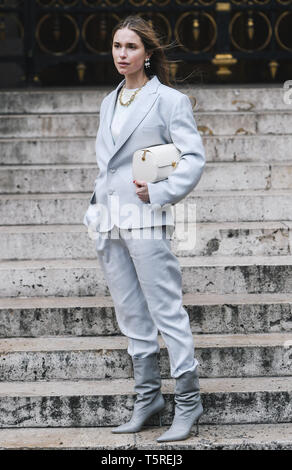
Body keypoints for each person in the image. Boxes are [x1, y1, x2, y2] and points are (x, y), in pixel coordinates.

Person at [83, 15, 206, 442]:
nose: (122, 55)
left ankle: (189, 403)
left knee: (166, 311)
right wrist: (94, 208)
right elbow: (107, 164)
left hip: (146, 217)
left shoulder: (168, 101)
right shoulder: (108, 101)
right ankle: (148, 398)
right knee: (132, 315)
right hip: (109, 221)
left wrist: (158, 191)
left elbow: (192, 157)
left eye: (130, 47)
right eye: (116, 46)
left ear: (148, 54)